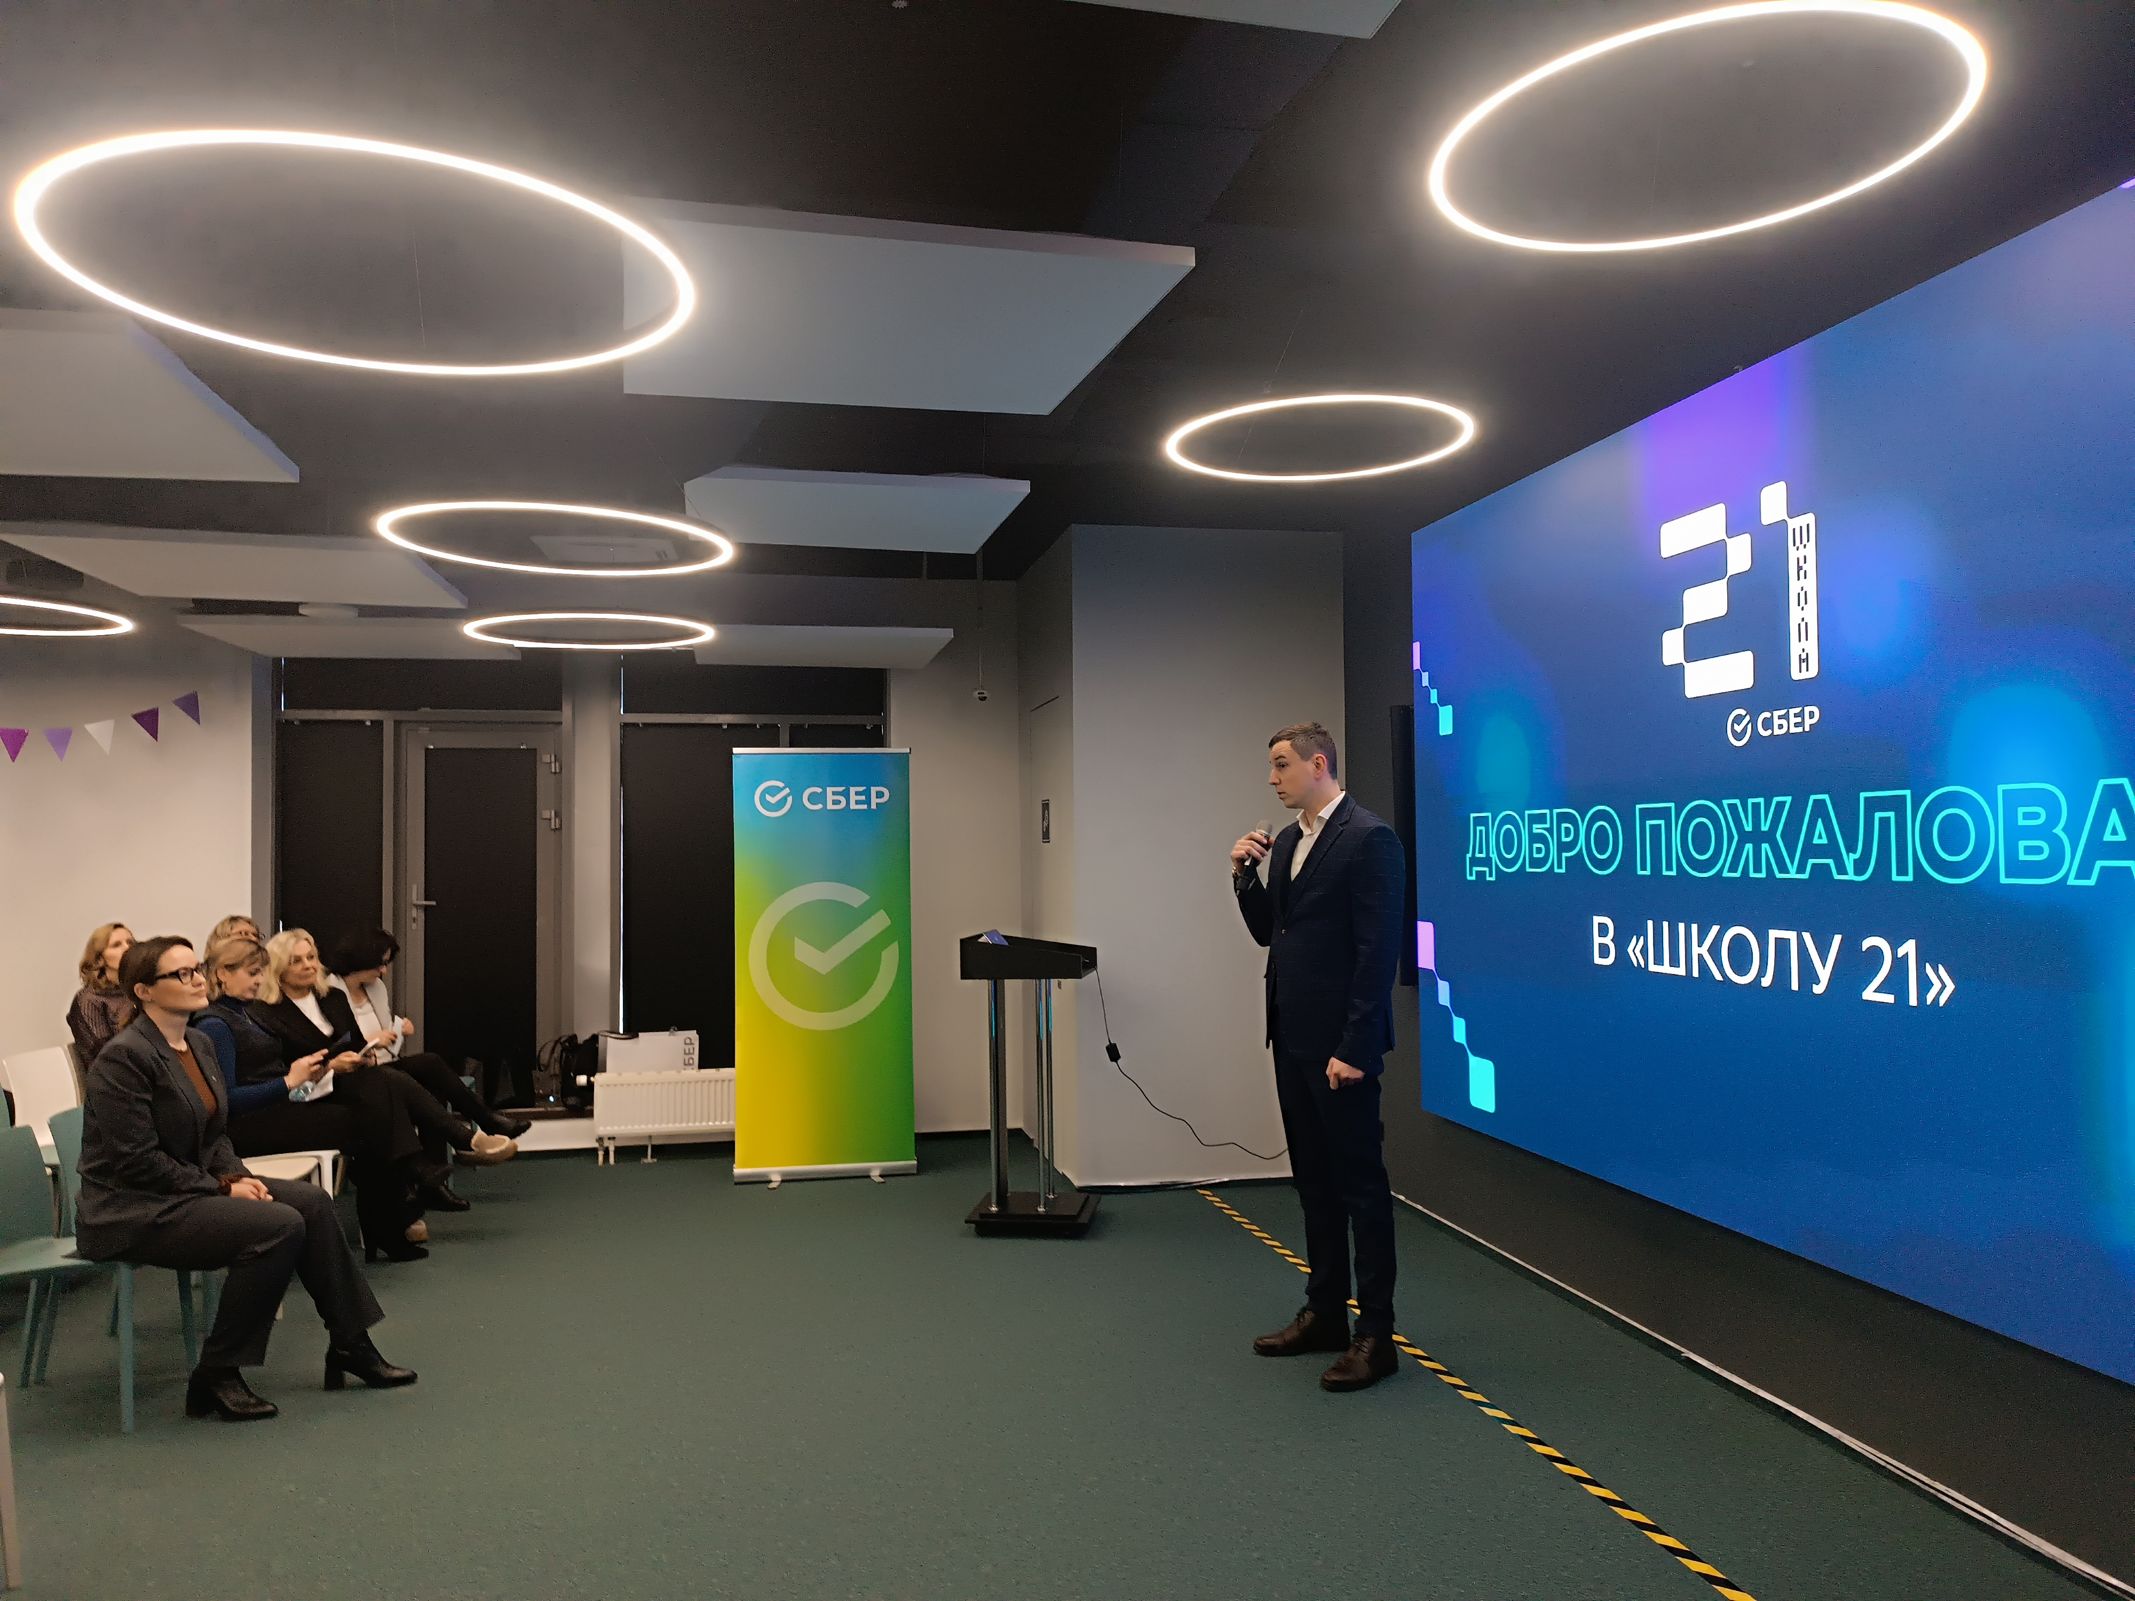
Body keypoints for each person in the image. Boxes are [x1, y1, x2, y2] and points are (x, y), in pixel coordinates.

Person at [74, 935, 415, 1421]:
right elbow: (136, 1162)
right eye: (181, 974)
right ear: (144, 991)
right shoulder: (123, 1058)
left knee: (312, 1203)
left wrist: (234, 1174)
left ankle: (350, 1344)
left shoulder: (197, 1043)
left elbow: (215, 1131)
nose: (198, 980)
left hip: (186, 1189)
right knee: (277, 1225)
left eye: (197, 969)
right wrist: (221, 1186)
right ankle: (218, 1372)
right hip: (132, 1208)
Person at [1230, 722, 1406, 1393]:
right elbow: (1269, 932)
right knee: (1313, 1183)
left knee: (1361, 1189)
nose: (1272, 778)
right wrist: (1243, 875)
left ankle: (1376, 1334)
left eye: (1281, 764)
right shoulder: (1288, 843)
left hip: (1341, 1051)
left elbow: (1377, 953)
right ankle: (1326, 1311)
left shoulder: (1368, 838)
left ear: (1319, 763)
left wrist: (1355, 1046)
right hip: (1292, 1039)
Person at [197, 935, 435, 1262]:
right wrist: (289, 1081)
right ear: (223, 973)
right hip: (252, 1125)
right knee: (373, 1120)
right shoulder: (215, 1024)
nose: (260, 980)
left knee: (377, 1104)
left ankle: (391, 1216)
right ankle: (396, 1208)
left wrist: (307, 1075)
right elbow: (227, 1102)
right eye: (252, 973)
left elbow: (272, 1073)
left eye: (261, 972)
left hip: (282, 1105)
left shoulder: (245, 1013)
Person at [250, 931, 515, 1190]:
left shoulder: (332, 997)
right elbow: (283, 1071)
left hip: (355, 1076)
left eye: (311, 957)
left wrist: (363, 1056)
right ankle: (461, 1140)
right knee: (388, 1083)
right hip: (313, 1090)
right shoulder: (267, 1012)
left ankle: (440, 1155)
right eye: (296, 961)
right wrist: (332, 1067)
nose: (308, 965)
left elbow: (353, 1042)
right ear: (278, 969)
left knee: (419, 1067)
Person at [328, 928, 531, 1140]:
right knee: (424, 1079)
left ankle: (482, 1124)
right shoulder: (329, 994)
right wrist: (370, 1041)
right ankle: (469, 1137)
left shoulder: (376, 987)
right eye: (381, 964)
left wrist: (398, 1029)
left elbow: (384, 1038)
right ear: (362, 959)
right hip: (356, 1074)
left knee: (431, 1065)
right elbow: (334, 1045)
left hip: (385, 1064)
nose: (384, 971)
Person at [66, 922, 136, 1066]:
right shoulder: (89, 1000)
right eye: (116, 945)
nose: (127, 948)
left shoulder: (140, 990)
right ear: (99, 958)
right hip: (118, 1074)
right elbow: (106, 1056)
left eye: (130, 942)